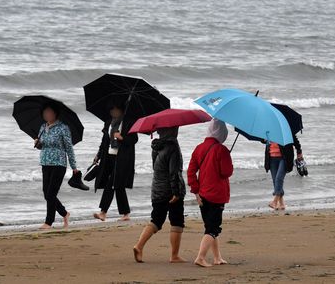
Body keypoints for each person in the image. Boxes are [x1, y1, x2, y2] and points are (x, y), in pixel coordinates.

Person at [133, 127, 186, 263]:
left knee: (156, 220)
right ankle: (174, 256)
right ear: (172, 131)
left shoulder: (156, 146)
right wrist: (176, 192)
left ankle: (139, 245)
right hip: (170, 190)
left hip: (157, 189)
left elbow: (156, 168)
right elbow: (174, 172)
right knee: (177, 221)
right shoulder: (173, 147)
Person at [188, 119, 234, 267]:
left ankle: (217, 257)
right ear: (222, 133)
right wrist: (228, 159)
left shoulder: (199, 148)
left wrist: (196, 191)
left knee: (210, 227)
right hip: (217, 195)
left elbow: (190, 172)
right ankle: (200, 257)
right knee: (213, 228)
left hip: (202, 195)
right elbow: (226, 172)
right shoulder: (222, 150)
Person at [34, 102, 79, 230]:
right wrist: (37, 143)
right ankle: (65, 213)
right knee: (46, 193)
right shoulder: (43, 127)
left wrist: (74, 166)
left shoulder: (63, 128)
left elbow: (69, 148)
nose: (47, 114)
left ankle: (49, 222)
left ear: (55, 113)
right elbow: (42, 146)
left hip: (59, 163)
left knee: (51, 193)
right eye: (45, 112)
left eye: (50, 112)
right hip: (45, 162)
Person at [92, 102, 138, 222]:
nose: (113, 112)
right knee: (118, 186)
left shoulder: (128, 122)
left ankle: (103, 212)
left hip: (122, 158)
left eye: (116, 110)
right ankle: (126, 213)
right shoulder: (109, 123)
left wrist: (122, 137)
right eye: (111, 110)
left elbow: (134, 139)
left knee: (111, 184)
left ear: (122, 110)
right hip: (109, 157)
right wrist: (98, 155)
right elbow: (104, 141)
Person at [263, 135, 302, 211]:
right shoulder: (268, 130)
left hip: (284, 157)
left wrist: (299, 151)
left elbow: (295, 140)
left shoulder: (286, 128)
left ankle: (275, 201)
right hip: (271, 157)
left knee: (279, 178)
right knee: (275, 181)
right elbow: (262, 140)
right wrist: (263, 139)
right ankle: (281, 204)